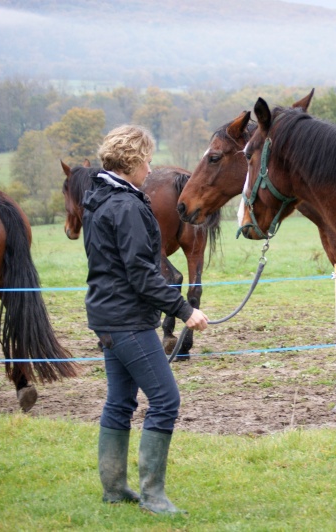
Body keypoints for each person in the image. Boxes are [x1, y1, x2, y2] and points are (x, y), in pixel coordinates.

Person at [83, 124, 208, 515]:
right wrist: (185, 311)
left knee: (120, 400)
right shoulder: (127, 207)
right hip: (128, 321)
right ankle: (153, 497)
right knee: (166, 399)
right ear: (134, 162)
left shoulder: (99, 200)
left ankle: (115, 489)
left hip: (106, 317)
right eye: (148, 159)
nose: (150, 167)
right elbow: (142, 275)